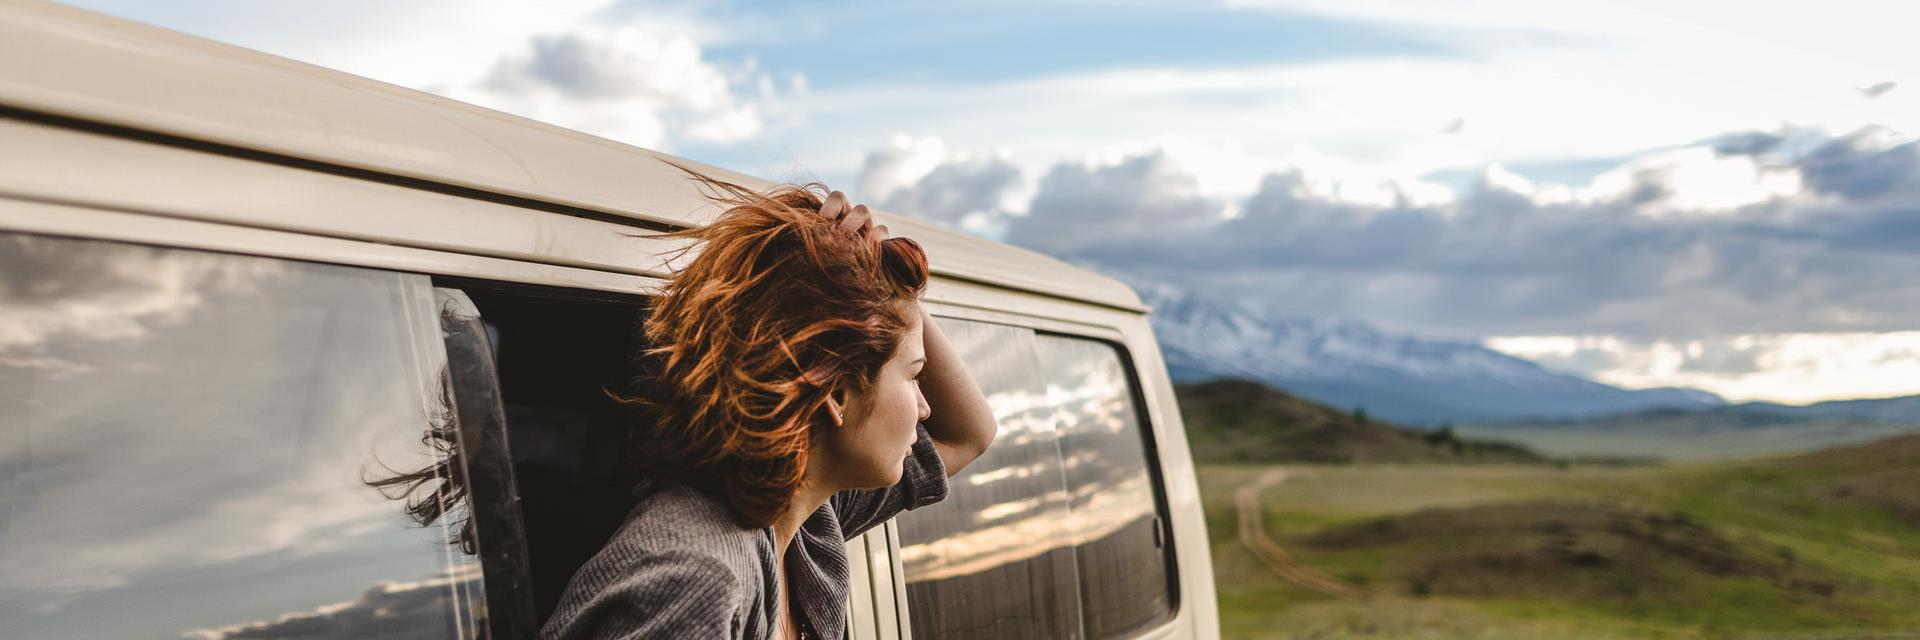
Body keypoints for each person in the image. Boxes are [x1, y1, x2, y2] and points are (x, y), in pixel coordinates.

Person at [539, 168, 999, 639]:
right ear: (835, 394)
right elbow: (959, 435)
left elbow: (969, 434)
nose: (925, 408)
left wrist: (877, 278)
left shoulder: (806, 522)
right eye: (914, 376)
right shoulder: (695, 579)